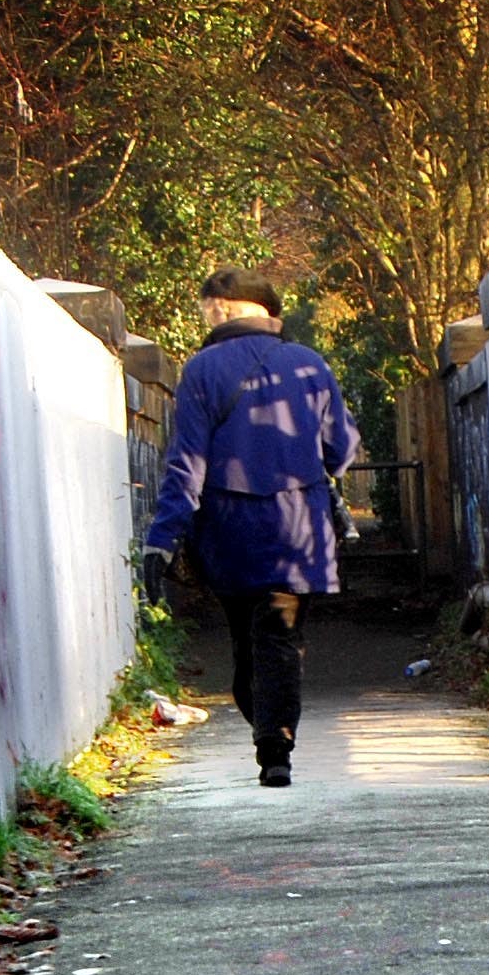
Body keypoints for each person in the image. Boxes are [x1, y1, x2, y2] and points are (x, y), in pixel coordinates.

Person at [143, 270, 362, 786]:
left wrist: (162, 536)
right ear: (268, 313)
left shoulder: (200, 371)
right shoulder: (310, 366)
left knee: (247, 640)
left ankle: (271, 740)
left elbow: (186, 463)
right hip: (298, 526)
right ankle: (276, 741)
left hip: (228, 529)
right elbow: (342, 450)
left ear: (220, 309)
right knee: (281, 634)